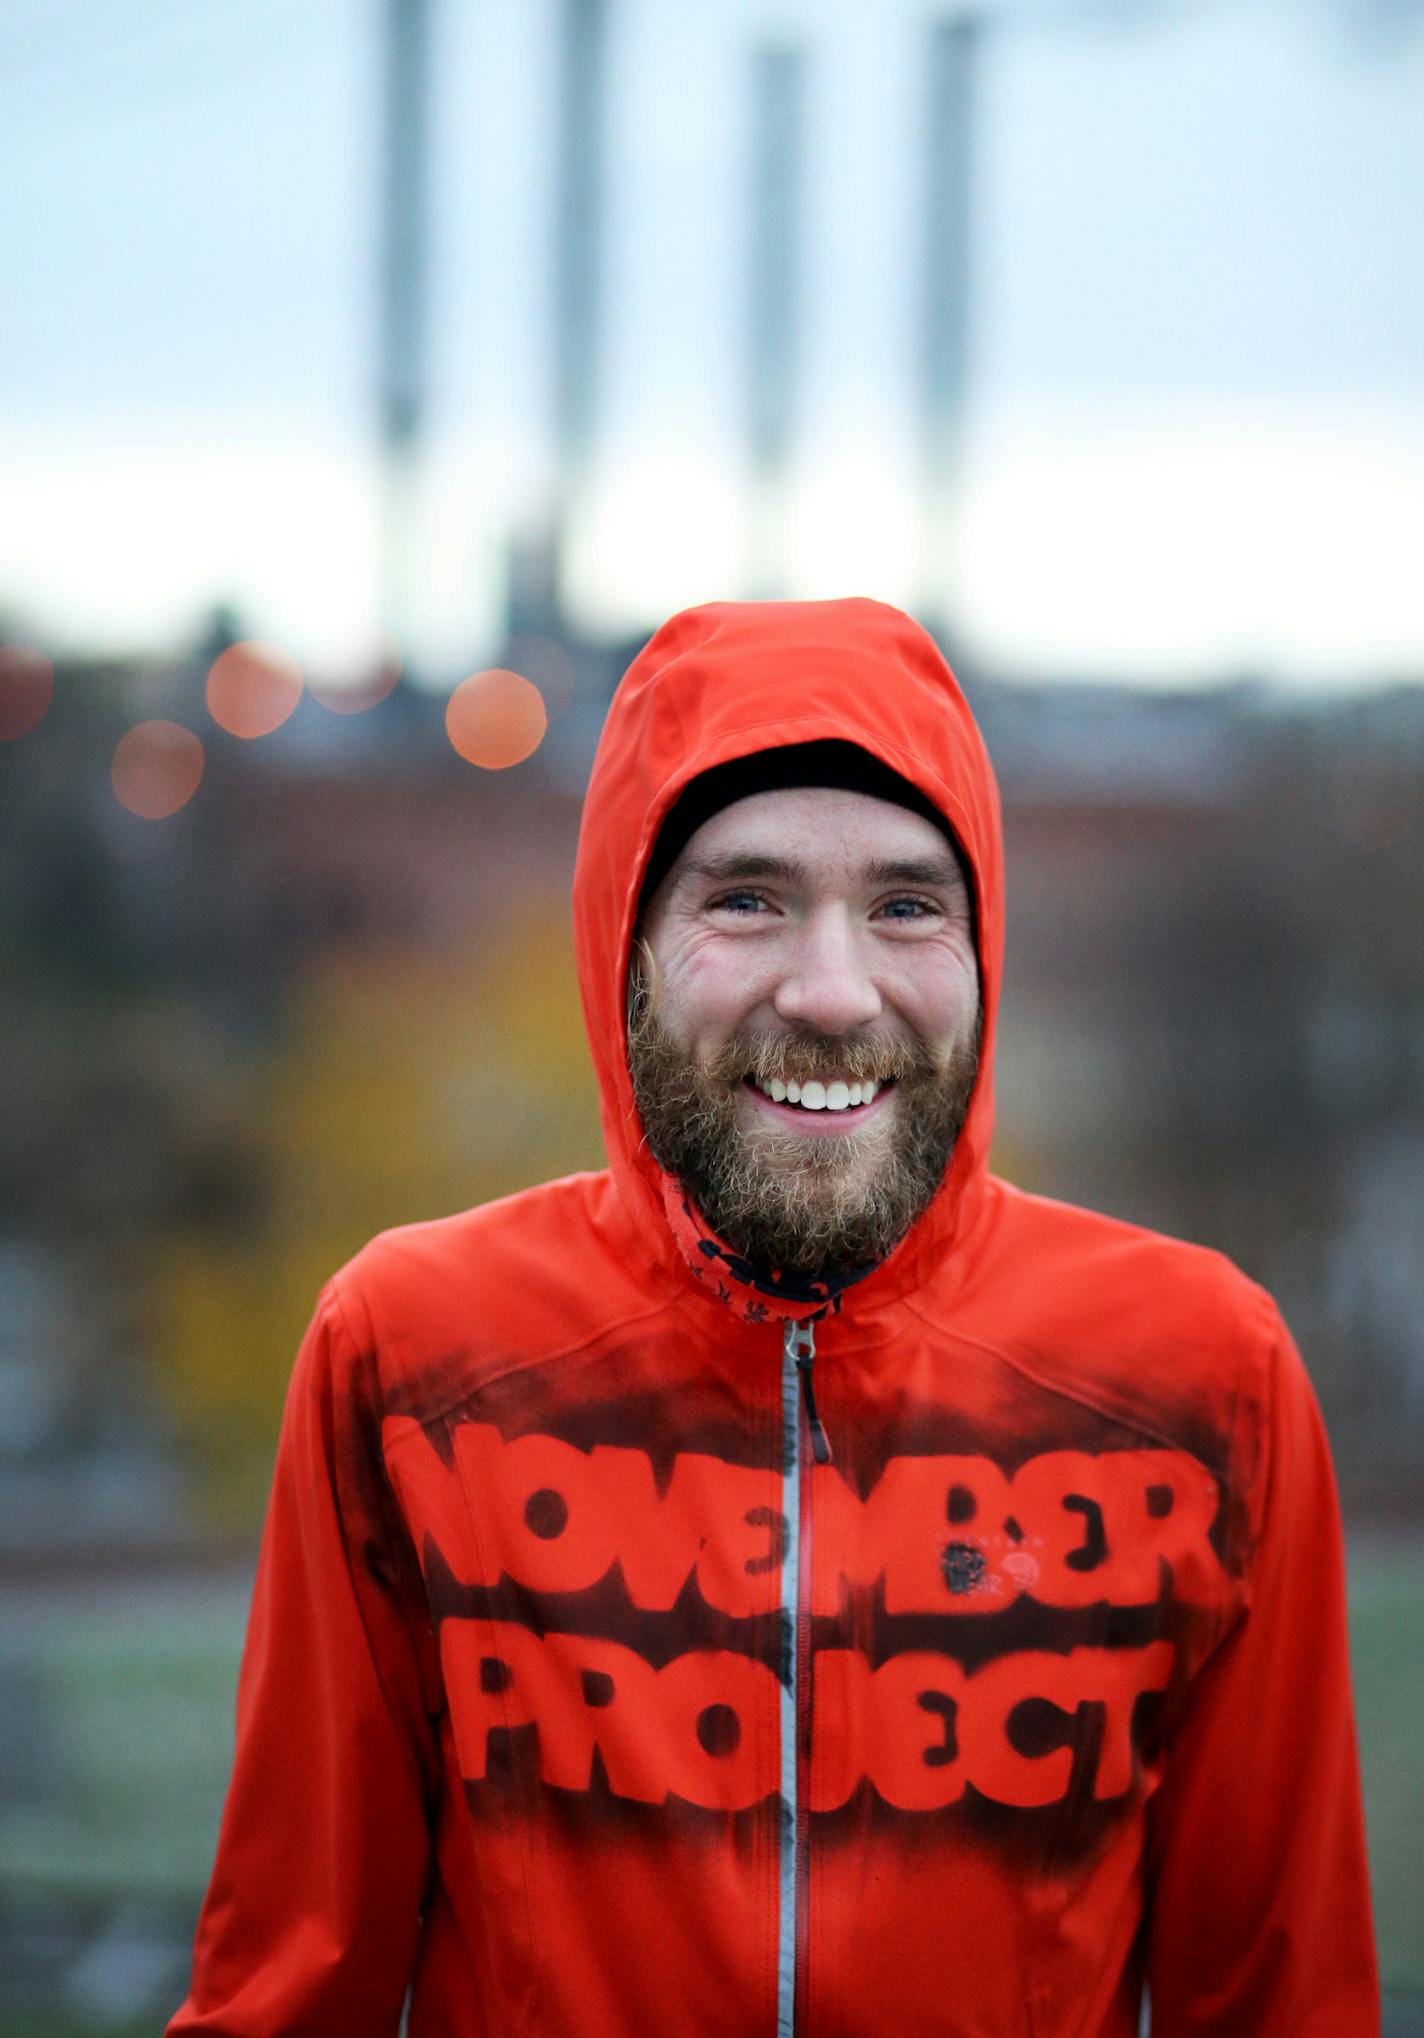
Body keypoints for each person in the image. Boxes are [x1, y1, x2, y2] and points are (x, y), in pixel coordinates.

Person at [169, 598, 1378, 2036]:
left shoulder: (1199, 1377)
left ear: (986, 943)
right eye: (745, 898)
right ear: (623, 938)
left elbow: (1289, 2006)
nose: (830, 988)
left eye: (907, 904)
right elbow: (287, 1997)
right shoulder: (415, 1354)